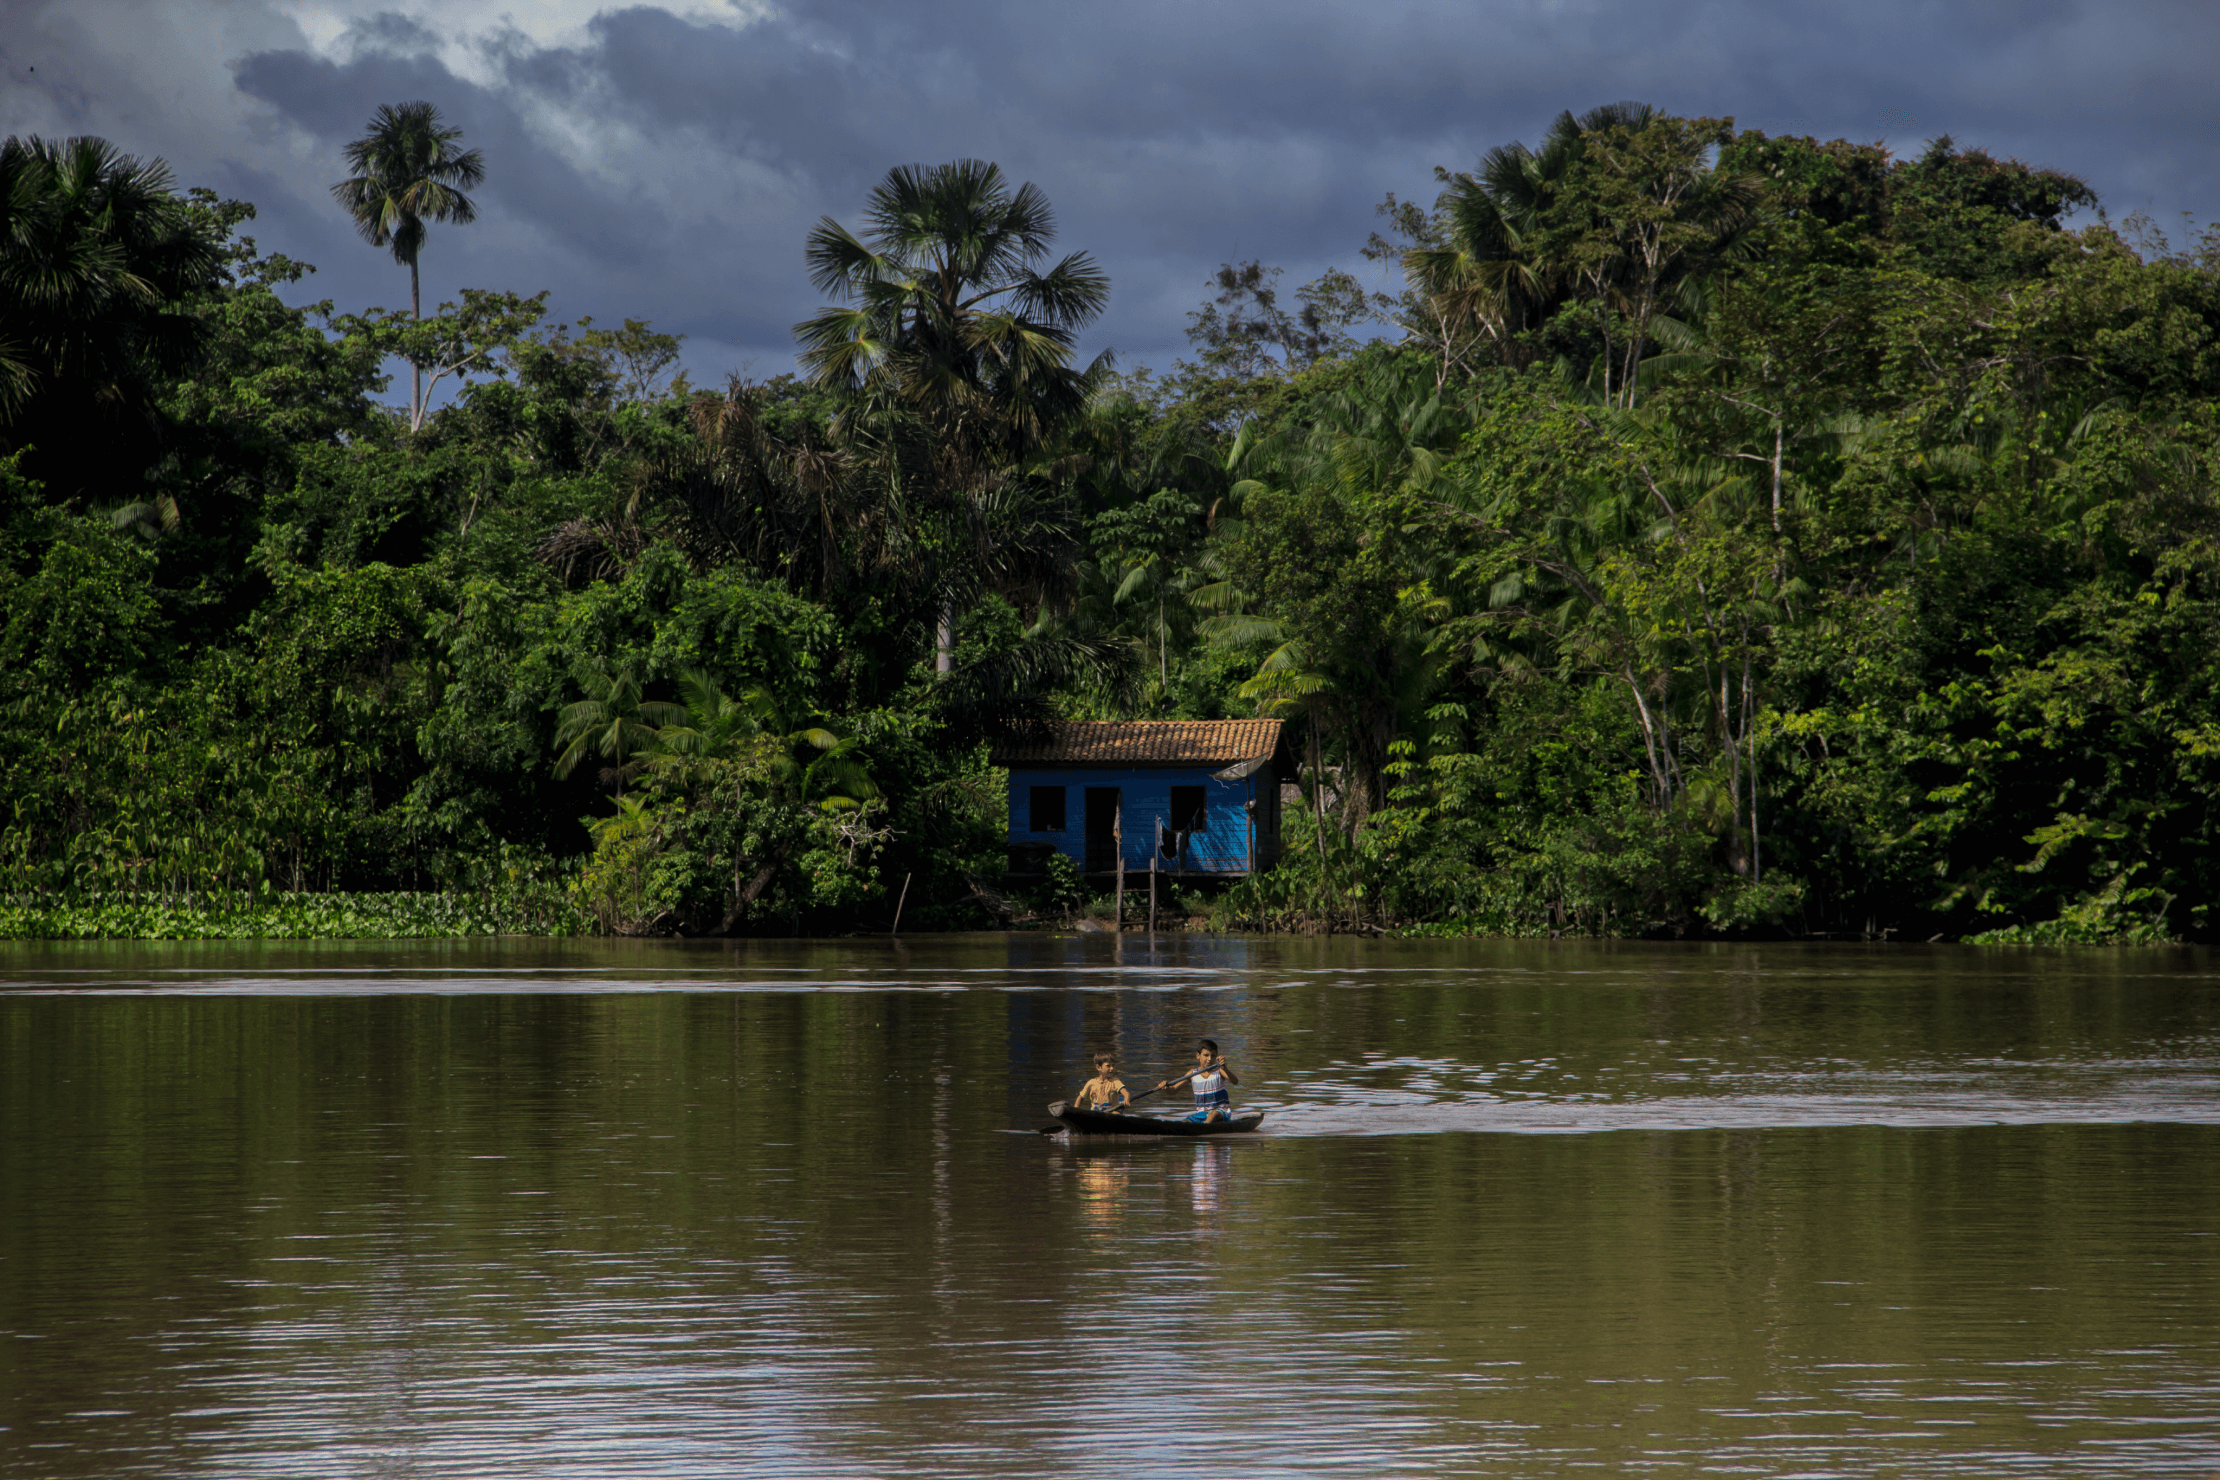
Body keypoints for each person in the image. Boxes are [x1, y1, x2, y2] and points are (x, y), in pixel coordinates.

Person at [1159, 1038, 1239, 1123]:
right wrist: (1165, 1087)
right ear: (1198, 1055)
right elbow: (1173, 1090)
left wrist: (1225, 1069)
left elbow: (1235, 1081)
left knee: (1213, 1114)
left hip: (1221, 1113)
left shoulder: (1220, 1070)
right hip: (1201, 1114)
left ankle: (1202, 1129)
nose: (1209, 1059)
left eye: (1213, 1056)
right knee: (1184, 1122)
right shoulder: (1192, 1074)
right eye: (1206, 1055)